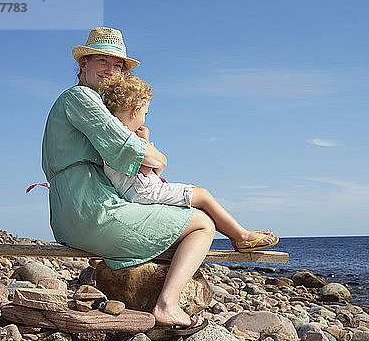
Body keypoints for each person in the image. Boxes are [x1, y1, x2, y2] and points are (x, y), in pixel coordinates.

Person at [41, 27, 278, 330]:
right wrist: (157, 156)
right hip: (90, 211)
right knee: (203, 223)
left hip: (77, 210)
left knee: (185, 217)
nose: (111, 70)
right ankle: (167, 305)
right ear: (83, 64)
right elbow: (130, 151)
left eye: (117, 65)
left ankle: (166, 285)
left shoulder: (91, 104)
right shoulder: (80, 97)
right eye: (102, 60)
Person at [97, 73, 278, 252]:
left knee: (197, 203)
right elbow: (146, 169)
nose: (145, 118)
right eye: (145, 113)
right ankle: (240, 236)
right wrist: (145, 141)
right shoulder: (130, 139)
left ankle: (236, 234)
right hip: (143, 192)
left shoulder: (110, 136)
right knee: (203, 196)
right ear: (135, 111)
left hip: (138, 190)